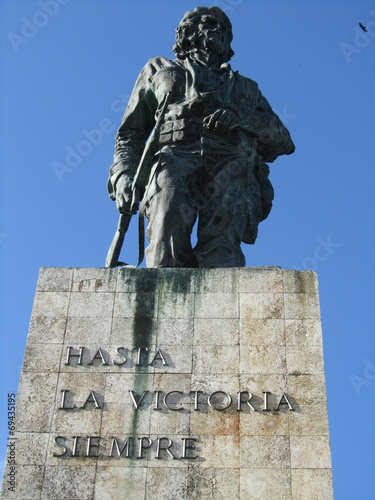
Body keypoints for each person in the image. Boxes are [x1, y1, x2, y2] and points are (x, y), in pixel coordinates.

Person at [107, 6, 295, 268]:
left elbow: (283, 141)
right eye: (209, 23)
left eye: (224, 28)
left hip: (231, 164)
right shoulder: (160, 69)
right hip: (174, 158)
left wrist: (242, 115)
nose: (217, 29)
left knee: (222, 257)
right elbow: (131, 133)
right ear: (187, 32)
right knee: (164, 248)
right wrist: (124, 175)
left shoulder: (245, 87)